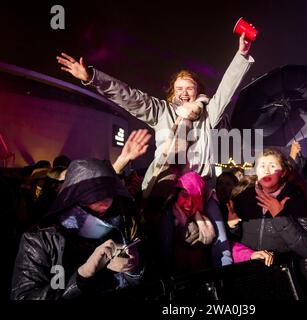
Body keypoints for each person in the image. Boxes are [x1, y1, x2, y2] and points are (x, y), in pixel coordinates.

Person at [56, 32, 254, 199]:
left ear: (198, 91)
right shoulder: (161, 111)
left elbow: (226, 90)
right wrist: (92, 78)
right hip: (166, 187)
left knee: (217, 239)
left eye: (189, 88)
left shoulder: (209, 113)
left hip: (200, 190)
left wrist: (241, 55)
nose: (184, 93)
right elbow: (129, 96)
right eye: (179, 88)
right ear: (173, 92)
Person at [11, 158, 147, 300]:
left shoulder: (120, 225)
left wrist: (132, 268)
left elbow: (138, 283)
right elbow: (24, 296)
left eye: (109, 192)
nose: (105, 200)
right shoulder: (41, 238)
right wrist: (82, 275)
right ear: (75, 195)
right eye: (95, 193)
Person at [229, 148, 307, 264]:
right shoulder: (244, 198)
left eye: (272, 166)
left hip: (282, 273)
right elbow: (233, 243)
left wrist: (281, 216)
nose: (266, 171)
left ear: (283, 172)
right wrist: (233, 227)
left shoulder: (296, 198)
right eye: (262, 166)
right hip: (249, 274)